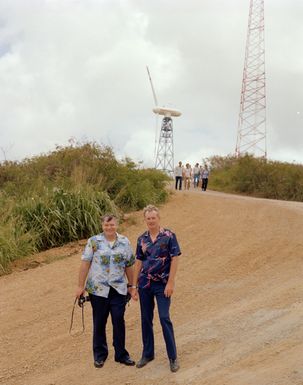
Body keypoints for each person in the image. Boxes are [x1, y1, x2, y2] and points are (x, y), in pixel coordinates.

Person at [75, 214, 136, 368]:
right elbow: (85, 264)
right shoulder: (94, 242)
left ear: (117, 225)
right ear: (102, 226)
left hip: (118, 288)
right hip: (98, 290)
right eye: (106, 225)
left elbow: (129, 265)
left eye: (112, 225)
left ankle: (121, 354)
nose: (109, 228)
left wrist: (132, 285)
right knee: (99, 322)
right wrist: (80, 286)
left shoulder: (124, 242)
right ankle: (100, 355)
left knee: (118, 320)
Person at [130, 205, 181, 373]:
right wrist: (134, 285)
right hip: (145, 284)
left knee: (164, 317)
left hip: (162, 284)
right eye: (148, 218)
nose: (151, 221)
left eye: (153, 218)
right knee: (145, 318)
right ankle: (148, 353)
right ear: (145, 220)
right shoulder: (141, 239)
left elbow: (175, 259)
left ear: (158, 218)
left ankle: (173, 357)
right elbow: (138, 262)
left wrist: (171, 283)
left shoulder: (169, 236)